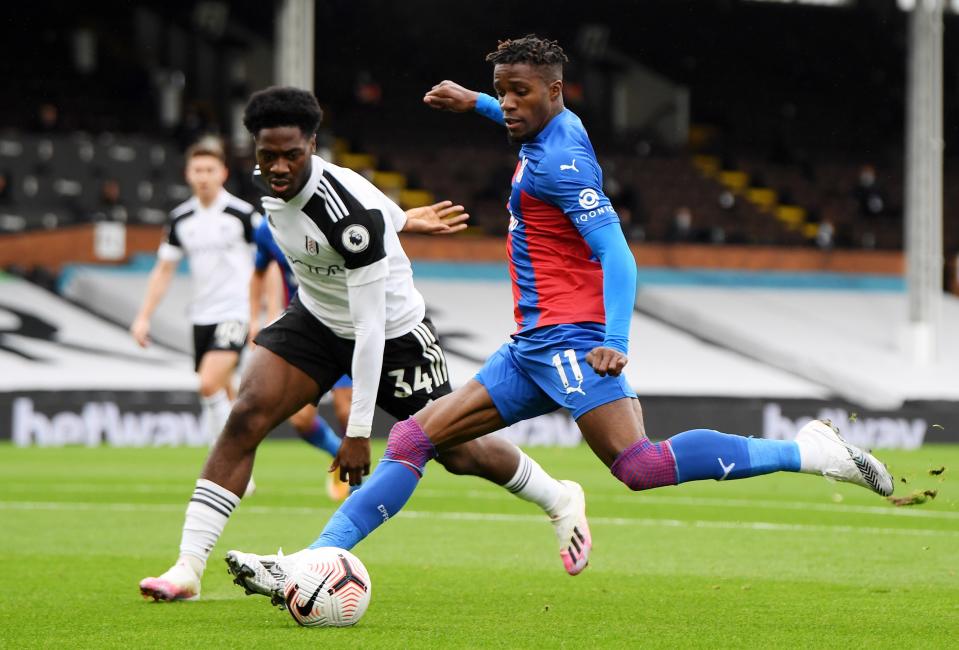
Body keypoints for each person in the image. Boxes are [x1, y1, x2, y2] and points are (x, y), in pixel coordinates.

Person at [225, 35, 894, 606]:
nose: (508, 104)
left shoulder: (560, 163)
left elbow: (616, 253)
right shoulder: (553, 124)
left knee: (639, 466)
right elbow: (518, 115)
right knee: (413, 441)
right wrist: (475, 103)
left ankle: (809, 453)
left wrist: (613, 341)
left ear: (554, 89)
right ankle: (314, 561)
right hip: (529, 347)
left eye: (517, 93)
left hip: (573, 342)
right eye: (500, 91)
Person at [139, 86, 587, 603]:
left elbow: (370, 328)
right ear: (254, 152)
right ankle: (188, 569)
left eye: (292, 155)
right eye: (268, 156)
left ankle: (559, 496)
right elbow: (369, 201)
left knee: (457, 451)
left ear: (312, 145)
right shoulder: (263, 184)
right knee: (246, 415)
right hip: (316, 318)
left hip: (394, 334)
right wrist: (403, 218)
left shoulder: (347, 219)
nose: (279, 167)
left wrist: (358, 434)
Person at [249, 198, 476, 500]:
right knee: (300, 420)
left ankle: (355, 484)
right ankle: (337, 455)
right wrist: (257, 316)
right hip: (311, 329)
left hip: (354, 329)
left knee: (347, 408)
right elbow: (260, 270)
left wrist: (402, 220)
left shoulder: (335, 220)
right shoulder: (269, 228)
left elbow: (364, 234)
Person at [130, 137, 255, 480]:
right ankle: (244, 469)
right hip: (201, 315)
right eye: (197, 170)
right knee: (226, 394)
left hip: (236, 311)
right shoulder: (180, 218)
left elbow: (269, 263)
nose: (203, 176)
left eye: (210, 170)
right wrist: (143, 316)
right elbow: (164, 269)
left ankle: (222, 464)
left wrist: (263, 312)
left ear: (223, 173)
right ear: (187, 174)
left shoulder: (242, 215)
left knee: (208, 384)